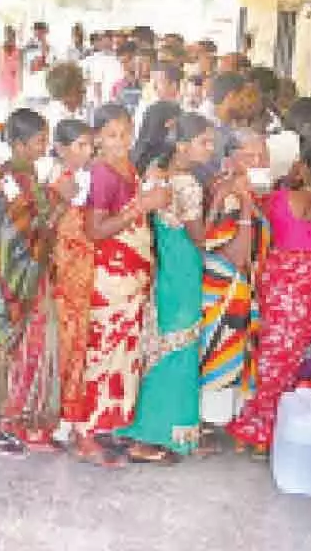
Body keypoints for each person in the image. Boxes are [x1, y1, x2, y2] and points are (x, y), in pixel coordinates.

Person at [228, 140, 311, 455]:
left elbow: (258, 234)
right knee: (288, 361)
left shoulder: (281, 200)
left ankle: (249, 428)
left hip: (277, 290)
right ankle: (267, 430)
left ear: (304, 166)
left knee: (261, 356)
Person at [117, 113, 214, 461]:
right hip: (183, 267)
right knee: (179, 349)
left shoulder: (157, 173)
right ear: (183, 145)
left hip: (165, 264)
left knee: (161, 346)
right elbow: (198, 236)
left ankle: (160, 428)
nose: (211, 147)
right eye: (205, 141)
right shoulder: (186, 184)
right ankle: (156, 435)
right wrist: (224, 202)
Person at [77, 104, 169, 466]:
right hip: (112, 279)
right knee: (102, 354)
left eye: (126, 133)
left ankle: (108, 425)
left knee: (123, 358)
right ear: (98, 137)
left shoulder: (126, 167)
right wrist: (141, 206)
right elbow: (95, 230)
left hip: (131, 275)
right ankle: (85, 432)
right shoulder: (102, 173)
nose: (121, 141)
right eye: (112, 135)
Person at [0, 110, 61, 450]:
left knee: (34, 344)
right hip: (19, 273)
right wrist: (54, 206)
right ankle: (15, 418)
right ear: (18, 144)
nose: (44, 146)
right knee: (26, 346)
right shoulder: (11, 177)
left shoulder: (28, 173)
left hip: (33, 269)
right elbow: (16, 228)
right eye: (39, 140)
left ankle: (28, 416)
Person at [199, 128, 272, 429]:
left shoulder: (244, 189)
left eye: (262, 155)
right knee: (218, 359)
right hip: (223, 293)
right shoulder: (229, 194)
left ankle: (208, 424)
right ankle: (203, 426)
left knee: (223, 358)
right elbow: (236, 255)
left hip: (234, 292)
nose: (258, 161)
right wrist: (243, 205)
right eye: (250, 155)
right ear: (230, 158)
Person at [50, 118, 95, 446]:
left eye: (88, 144)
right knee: (67, 344)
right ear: (61, 149)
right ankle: (61, 415)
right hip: (66, 273)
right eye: (80, 145)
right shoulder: (58, 181)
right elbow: (47, 225)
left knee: (80, 342)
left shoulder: (88, 178)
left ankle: (73, 412)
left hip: (86, 269)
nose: (87, 151)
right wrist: (61, 199)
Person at [43, 63, 88, 152]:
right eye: (78, 90)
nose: (84, 92)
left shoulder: (86, 108)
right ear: (64, 95)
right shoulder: (53, 117)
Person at [0, 25, 22, 128]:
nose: (10, 37)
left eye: (12, 35)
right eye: (8, 35)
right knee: (2, 113)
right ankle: (1, 131)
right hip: (2, 85)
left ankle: (10, 130)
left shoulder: (17, 51)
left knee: (11, 112)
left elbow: (17, 69)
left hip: (12, 86)